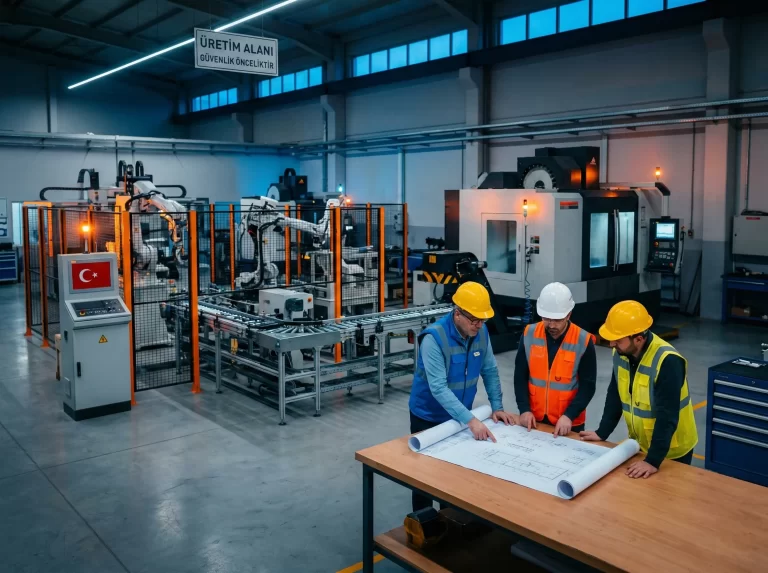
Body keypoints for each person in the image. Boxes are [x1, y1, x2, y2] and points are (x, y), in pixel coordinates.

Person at [409, 281, 517, 511]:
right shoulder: (434, 339)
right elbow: (438, 388)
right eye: (474, 320)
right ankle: (422, 522)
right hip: (428, 416)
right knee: (423, 478)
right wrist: (471, 420)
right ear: (457, 313)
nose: (479, 325)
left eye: (483, 320)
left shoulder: (481, 332)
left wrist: (497, 407)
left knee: (450, 476)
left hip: (457, 416)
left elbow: (489, 370)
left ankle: (449, 521)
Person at [580, 300, 698, 478]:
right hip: (641, 445)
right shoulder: (621, 353)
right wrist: (602, 431)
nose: (611, 344)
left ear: (639, 339)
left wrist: (652, 460)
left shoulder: (668, 361)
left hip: (672, 451)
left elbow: (667, 416)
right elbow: (615, 394)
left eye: (618, 340)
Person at [514, 283, 597, 436]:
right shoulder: (529, 334)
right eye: (546, 318)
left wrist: (569, 416)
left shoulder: (583, 340)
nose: (551, 325)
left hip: (569, 423)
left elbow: (588, 386)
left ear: (569, 315)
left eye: (557, 320)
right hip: (534, 419)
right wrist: (524, 409)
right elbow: (520, 376)